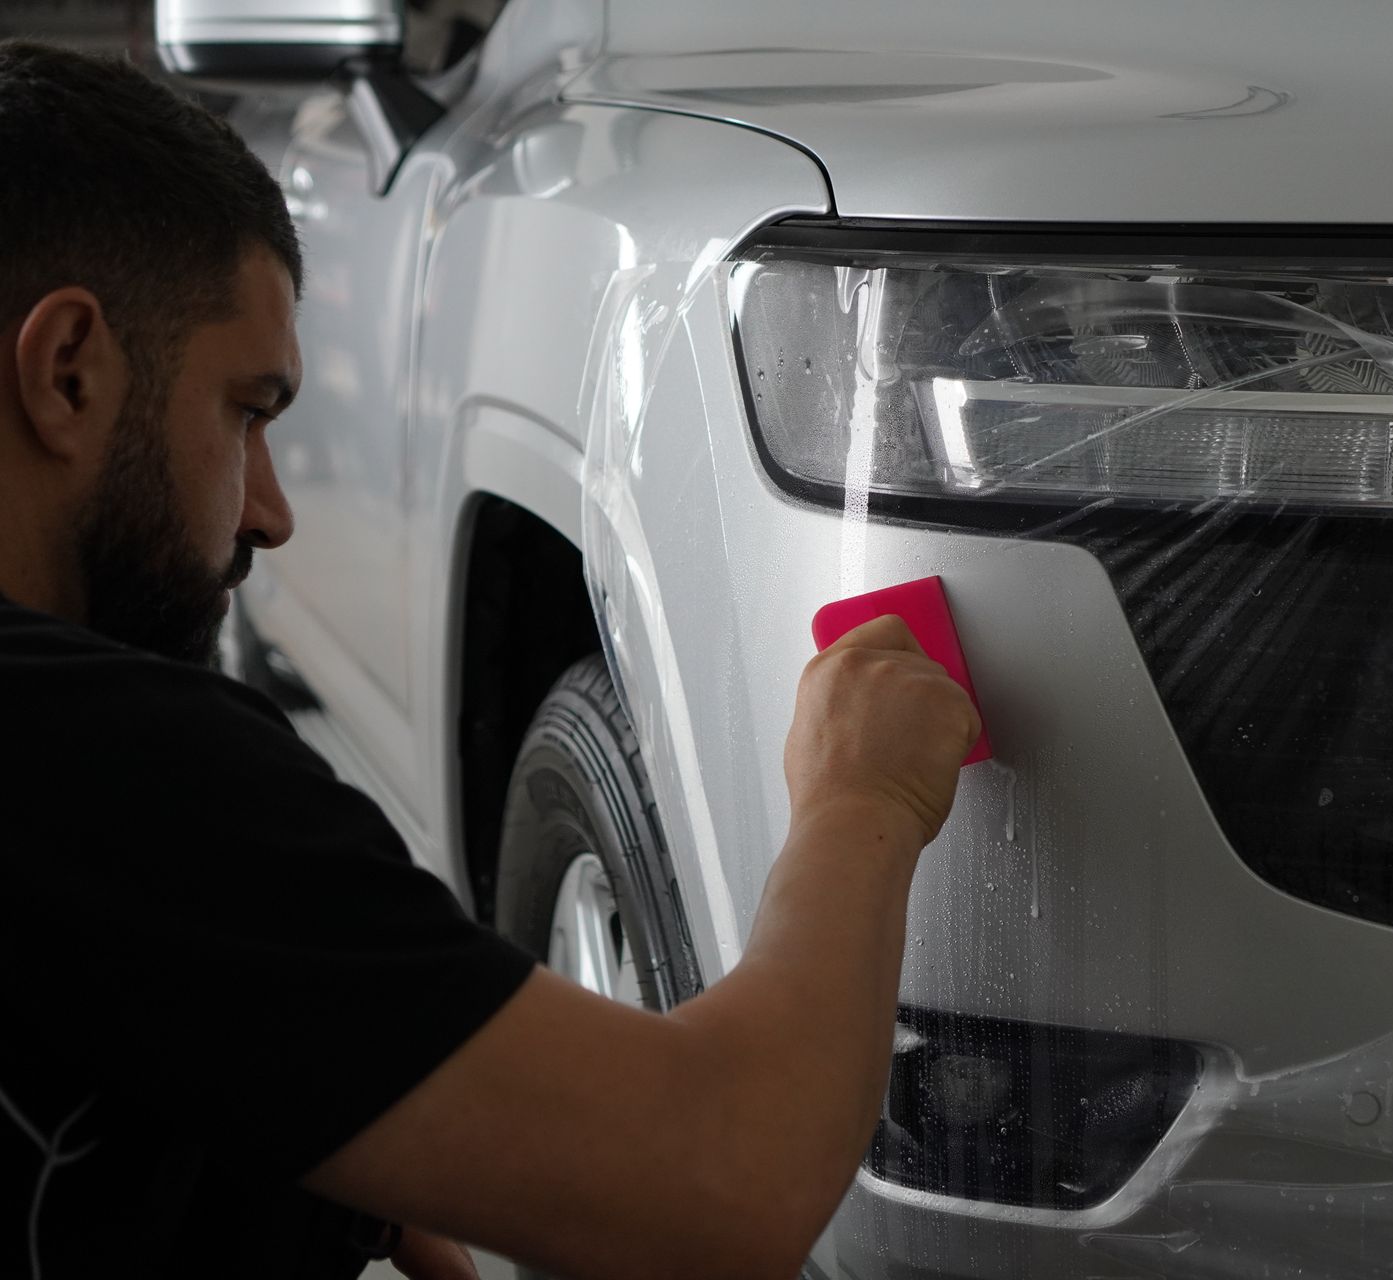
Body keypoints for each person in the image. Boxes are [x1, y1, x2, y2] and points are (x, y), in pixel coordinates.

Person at [0, 39, 979, 1280]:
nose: (269, 508)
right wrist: (862, 802)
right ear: (68, 371)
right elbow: (731, 1174)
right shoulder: (107, 765)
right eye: (245, 411)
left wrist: (344, 1149)